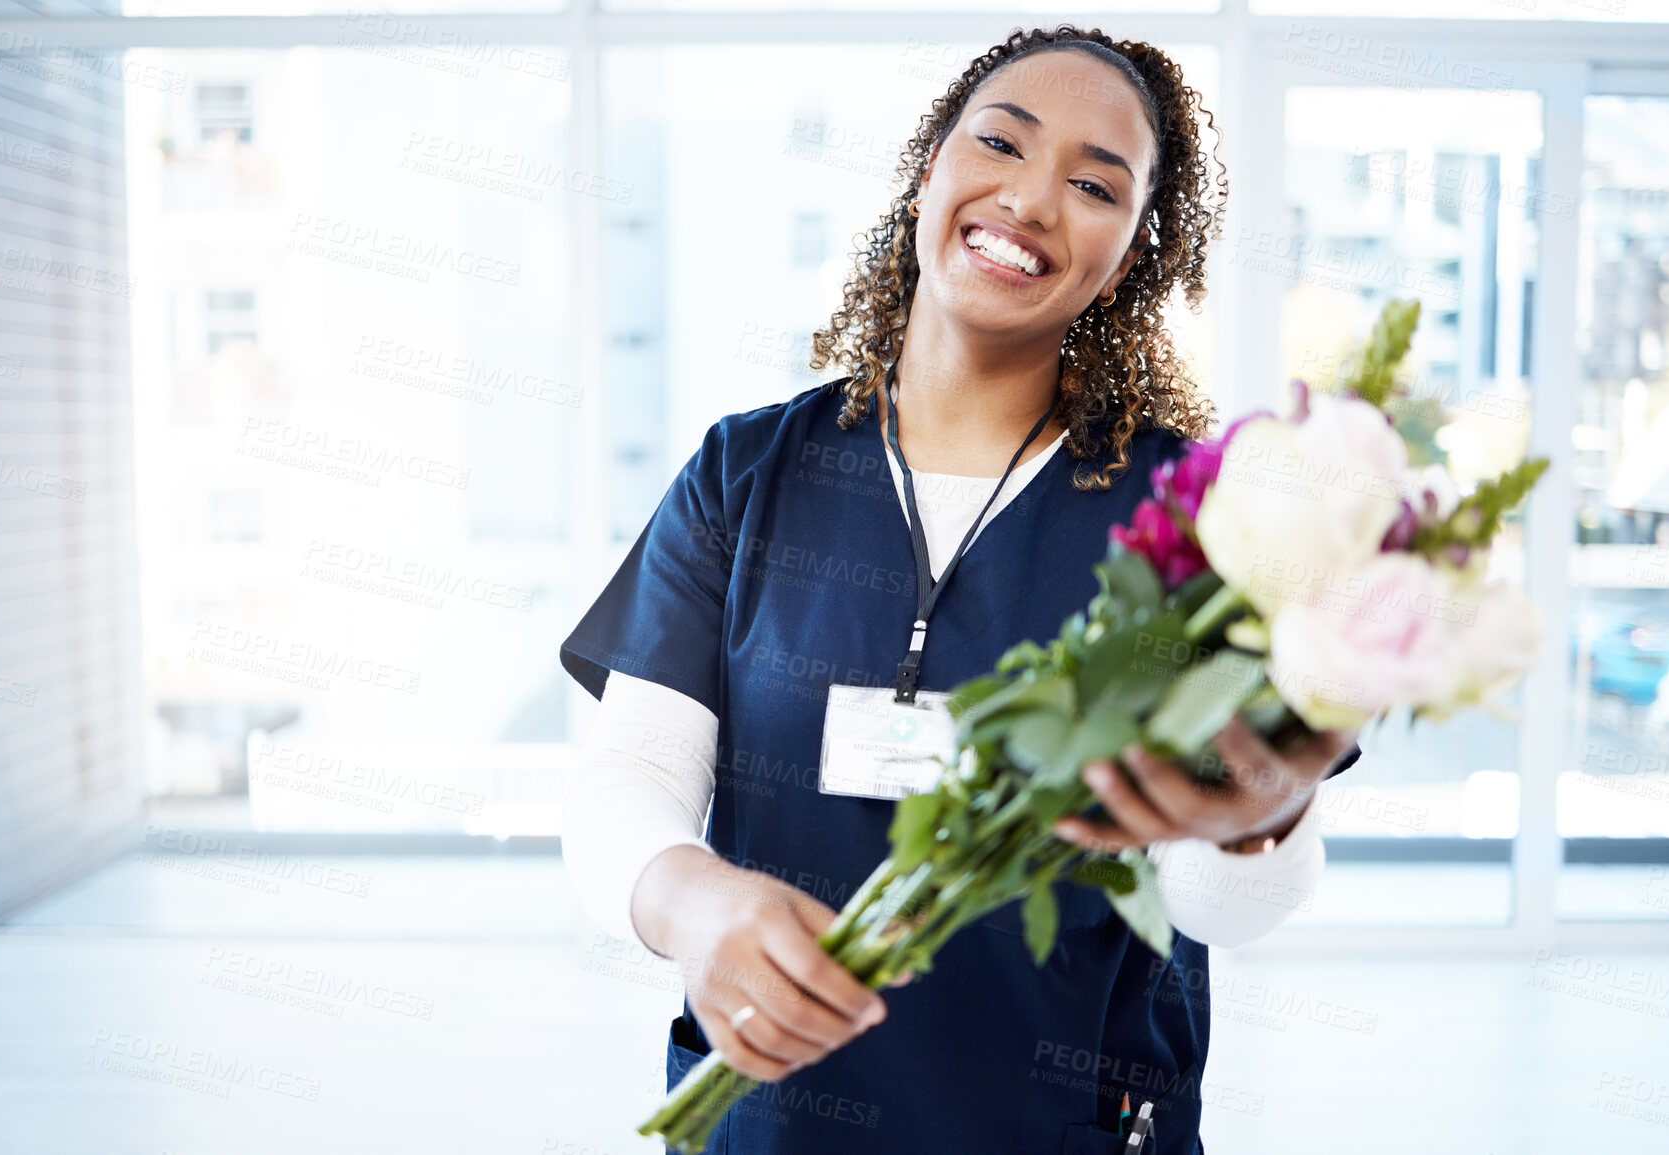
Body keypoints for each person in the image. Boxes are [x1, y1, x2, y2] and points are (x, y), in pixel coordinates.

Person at [558, 26, 1359, 1155]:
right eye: (1000, 143)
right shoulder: (747, 476)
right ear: (929, 169)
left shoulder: (1197, 520)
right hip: (777, 1122)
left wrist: (1259, 820)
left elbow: (1220, 904)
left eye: (1093, 184)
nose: (1032, 200)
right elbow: (626, 781)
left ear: (1126, 256)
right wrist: (693, 904)